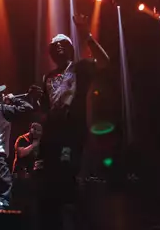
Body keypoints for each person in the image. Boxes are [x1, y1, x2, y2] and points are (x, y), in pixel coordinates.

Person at [37, 14, 109, 229]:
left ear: (70, 49)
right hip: (52, 136)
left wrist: (86, 34)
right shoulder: (47, 77)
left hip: (72, 133)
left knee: (67, 175)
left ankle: (79, 221)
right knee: (51, 184)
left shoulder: (81, 68)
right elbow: (45, 108)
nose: (58, 47)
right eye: (54, 46)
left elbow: (104, 62)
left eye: (63, 44)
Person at [11, 122, 43, 218]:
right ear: (31, 130)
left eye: (40, 132)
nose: (38, 134)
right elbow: (21, 153)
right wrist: (33, 145)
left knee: (31, 205)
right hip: (20, 175)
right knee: (18, 203)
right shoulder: (22, 139)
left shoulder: (39, 141)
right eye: (36, 130)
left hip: (32, 177)